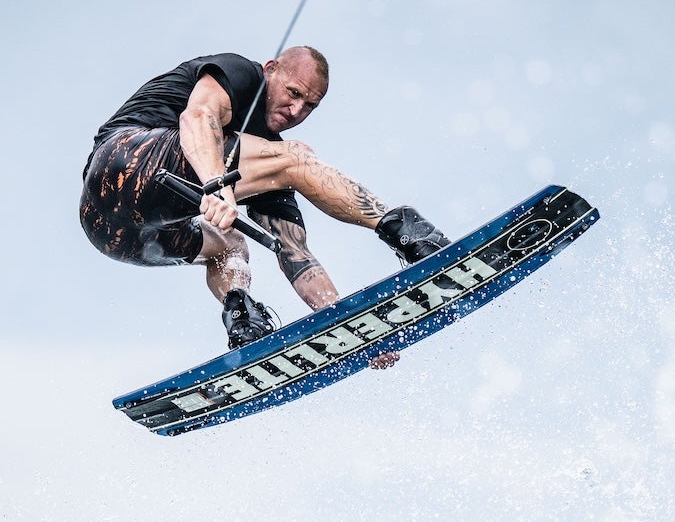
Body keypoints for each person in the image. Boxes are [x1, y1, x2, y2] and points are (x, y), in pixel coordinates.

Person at [79, 47, 449, 357]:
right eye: (293, 92)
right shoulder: (240, 75)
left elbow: (296, 255)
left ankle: (243, 320)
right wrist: (217, 186)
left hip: (117, 235)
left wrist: (346, 327)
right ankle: (413, 234)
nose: (296, 110)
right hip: (124, 159)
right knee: (298, 158)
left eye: (310, 106)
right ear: (271, 69)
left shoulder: (266, 165)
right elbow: (198, 116)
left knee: (231, 246)